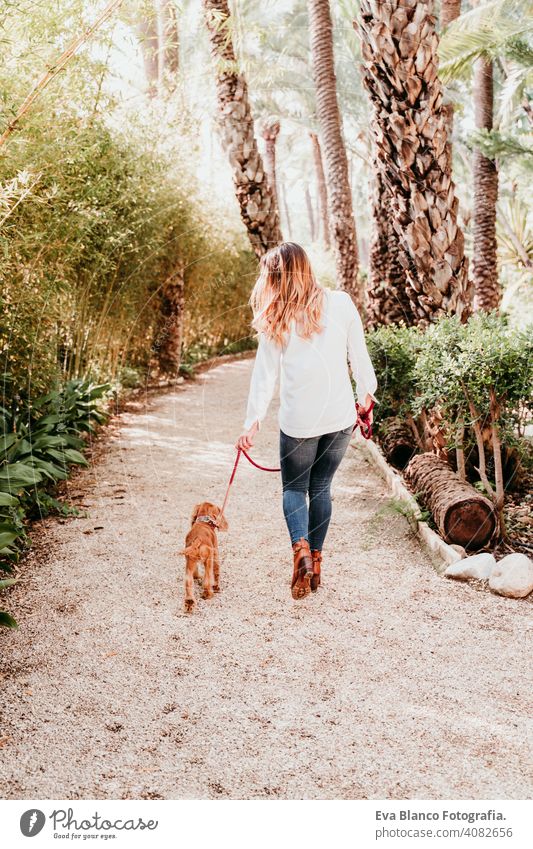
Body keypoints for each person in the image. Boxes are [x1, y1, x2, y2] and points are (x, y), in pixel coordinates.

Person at [236, 242, 377, 600]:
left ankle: (299, 549)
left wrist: (252, 421)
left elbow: (264, 375)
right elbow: (358, 356)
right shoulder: (341, 302)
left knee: (294, 489)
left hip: (298, 421)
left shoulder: (276, 316)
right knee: (321, 489)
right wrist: (366, 395)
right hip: (339, 416)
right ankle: (316, 560)